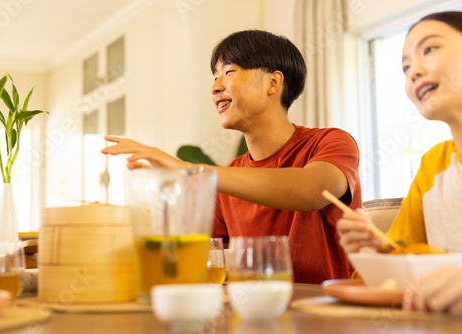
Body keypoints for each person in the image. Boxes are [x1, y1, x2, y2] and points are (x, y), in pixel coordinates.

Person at [102, 30, 362, 284]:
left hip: (325, 316)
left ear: (273, 83)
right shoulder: (226, 179)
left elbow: (311, 190)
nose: (215, 88)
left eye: (228, 73)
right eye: (215, 77)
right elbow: (205, 261)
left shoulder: (330, 142)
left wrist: (191, 171)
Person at [337, 11, 462, 315]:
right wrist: (374, 256)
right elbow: (399, 274)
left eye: (429, 49)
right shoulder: (434, 166)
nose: (413, 72)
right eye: (405, 67)